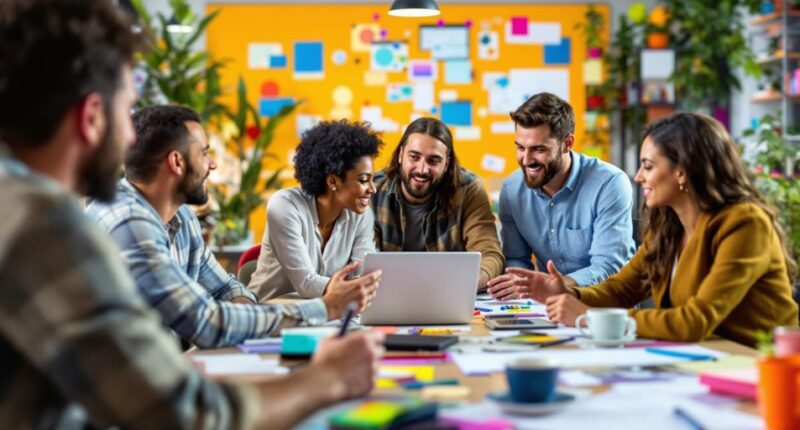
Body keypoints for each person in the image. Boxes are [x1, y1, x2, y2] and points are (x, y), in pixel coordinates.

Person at [0, 1, 383, 428]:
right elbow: (180, 413)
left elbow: (219, 294)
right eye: (125, 114)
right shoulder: (43, 226)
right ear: (92, 117)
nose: (131, 139)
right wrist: (326, 379)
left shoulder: (23, 204)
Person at [85, 105, 378, 348]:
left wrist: (243, 305)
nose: (212, 164)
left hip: (168, 368)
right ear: (176, 162)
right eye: (204, 153)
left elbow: (224, 286)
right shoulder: (129, 221)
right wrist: (326, 307)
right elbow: (204, 323)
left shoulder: (182, 217)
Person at [514, 113, 798, 347]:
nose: (638, 177)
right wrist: (569, 294)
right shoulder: (669, 226)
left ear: (682, 171)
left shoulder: (745, 223)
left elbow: (694, 321)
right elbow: (622, 289)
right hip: (703, 358)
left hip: (760, 368)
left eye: (648, 166)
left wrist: (588, 317)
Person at [487, 92, 635, 299]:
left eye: (538, 149)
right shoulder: (512, 190)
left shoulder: (609, 183)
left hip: (606, 303)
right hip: (548, 306)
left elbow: (608, 266)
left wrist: (553, 285)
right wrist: (518, 282)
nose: (526, 160)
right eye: (521, 148)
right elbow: (516, 259)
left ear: (567, 144)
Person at [248, 120, 384, 303]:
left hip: (325, 315)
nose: (372, 189)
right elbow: (306, 283)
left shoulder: (361, 214)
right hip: (269, 315)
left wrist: (365, 286)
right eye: (363, 180)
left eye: (372, 179)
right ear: (333, 182)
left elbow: (365, 275)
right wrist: (356, 288)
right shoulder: (284, 206)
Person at [371, 117, 504, 290]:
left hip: (451, 293)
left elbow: (490, 253)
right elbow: (364, 257)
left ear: (446, 164)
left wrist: (466, 285)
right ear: (401, 155)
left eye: (433, 160)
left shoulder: (469, 190)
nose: (422, 169)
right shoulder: (372, 190)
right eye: (414, 157)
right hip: (388, 292)